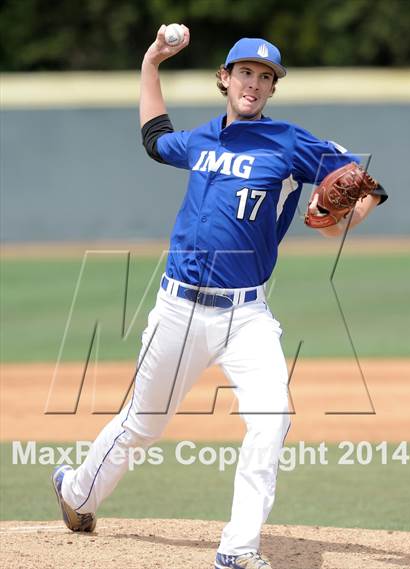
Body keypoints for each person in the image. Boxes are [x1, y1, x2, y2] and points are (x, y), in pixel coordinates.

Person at [52, 25, 388, 569]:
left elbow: (364, 186)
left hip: (245, 314)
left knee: (271, 417)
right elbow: (154, 137)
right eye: (245, 73)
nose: (253, 83)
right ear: (225, 79)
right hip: (177, 307)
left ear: (273, 88)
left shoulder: (289, 142)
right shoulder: (202, 139)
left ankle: (237, 548)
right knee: (143, 423)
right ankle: (76, 494)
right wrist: (151, 62)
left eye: (265, 76)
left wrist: (340, 218)